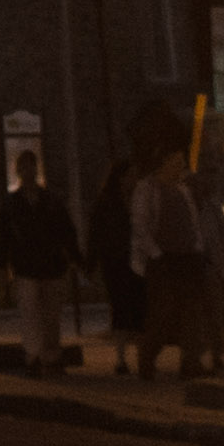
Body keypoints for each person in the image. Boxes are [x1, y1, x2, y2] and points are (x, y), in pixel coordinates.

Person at [131, 143, 220, 382]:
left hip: (187, 257)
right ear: (164, 162)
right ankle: (147, 356)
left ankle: (191, 361)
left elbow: (192, 221)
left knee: (192, 311)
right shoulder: (148, 189)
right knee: (163, 311)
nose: (181, 167)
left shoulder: (183, 189)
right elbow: (140, 225)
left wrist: (198, 247)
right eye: (176, 161)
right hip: (164, 259)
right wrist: (156, 253)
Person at [0, 150, 81, 375]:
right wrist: (2, 264)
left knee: (51, 314)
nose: (29, 172)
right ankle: (34, 355)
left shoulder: (50, 200)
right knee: (31, 311)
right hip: (26, 265)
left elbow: (66, 231)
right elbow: (4, 235)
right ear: (19, 171)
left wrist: (74, 257)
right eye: (24, 168)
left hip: (50, 264)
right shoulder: (12, 204)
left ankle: (51, 355)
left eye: (31, 167)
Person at [86, 154, 144, 374]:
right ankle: (121, 358)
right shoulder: (107, 204)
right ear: (121, 178)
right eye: (131, 175)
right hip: (116, 262)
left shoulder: (138, 200)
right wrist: (91, 264)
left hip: (136, 261)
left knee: (139, 309)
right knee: (121, 309)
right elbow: (96, 235)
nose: (135, 179)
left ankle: (141, 357)